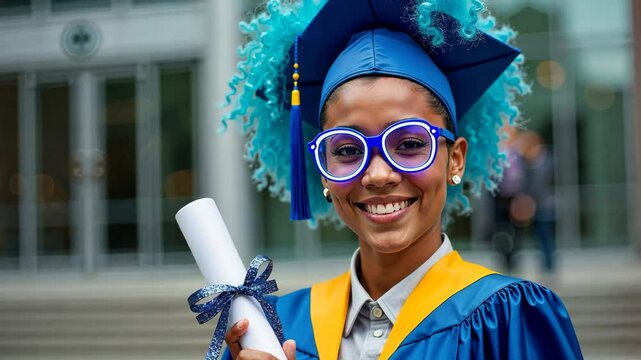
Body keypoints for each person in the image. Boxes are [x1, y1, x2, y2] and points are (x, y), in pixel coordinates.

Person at [220, 0, 582, 358]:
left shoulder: (509, 319)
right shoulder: (275, 330)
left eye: (409, 143)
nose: (378, 175)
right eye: (347, 150)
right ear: (322, 170)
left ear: (455, 159)